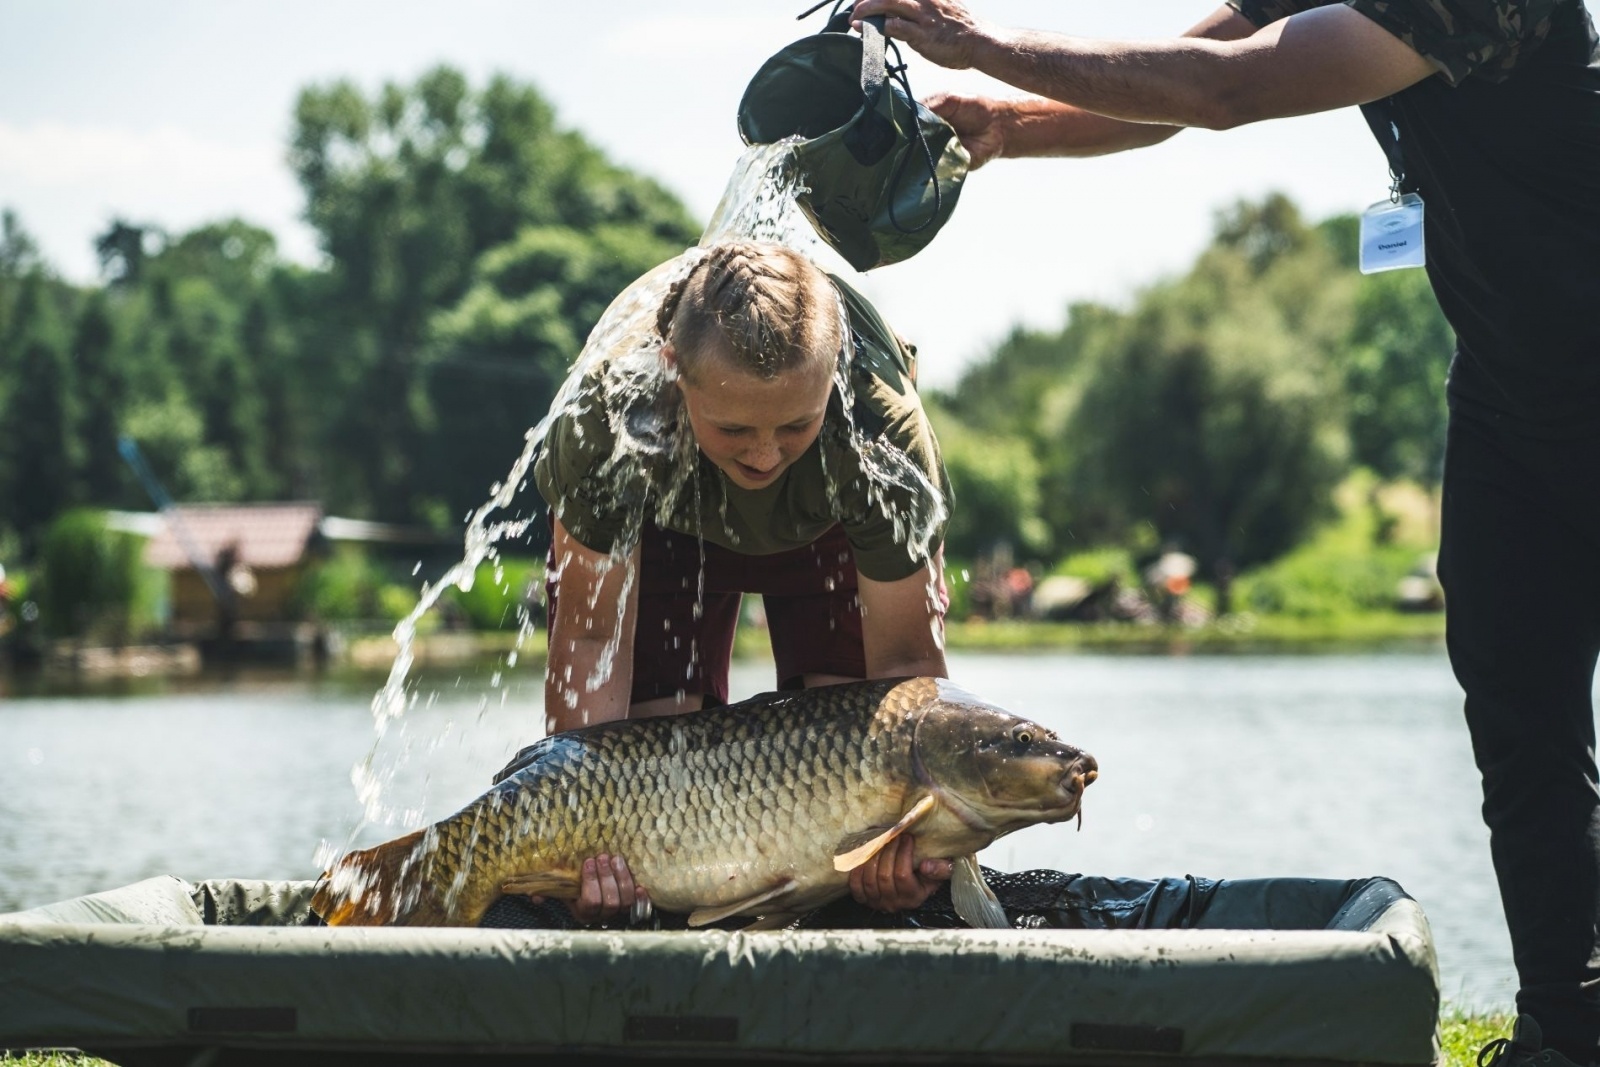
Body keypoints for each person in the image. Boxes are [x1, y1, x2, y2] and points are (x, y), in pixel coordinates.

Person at [848, 0, 1600, 1060]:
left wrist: (976, 39)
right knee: (1520, 708)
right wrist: (1012, 122)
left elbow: (1229, 91)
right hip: (1510, 393)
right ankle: (1567, 1030)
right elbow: (1197, 66)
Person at [531, 239, 956, 925]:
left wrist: (909, 846)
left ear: (835, 371)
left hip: (829, 527)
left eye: (795, 423)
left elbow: (906, 672)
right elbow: (587, 641)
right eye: (734, 427)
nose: (764, 453)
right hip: (669, 523)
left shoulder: (881, 436)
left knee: (850, 796)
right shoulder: (607, 425)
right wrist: (585, 845)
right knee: (645, 796)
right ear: (674, 371)